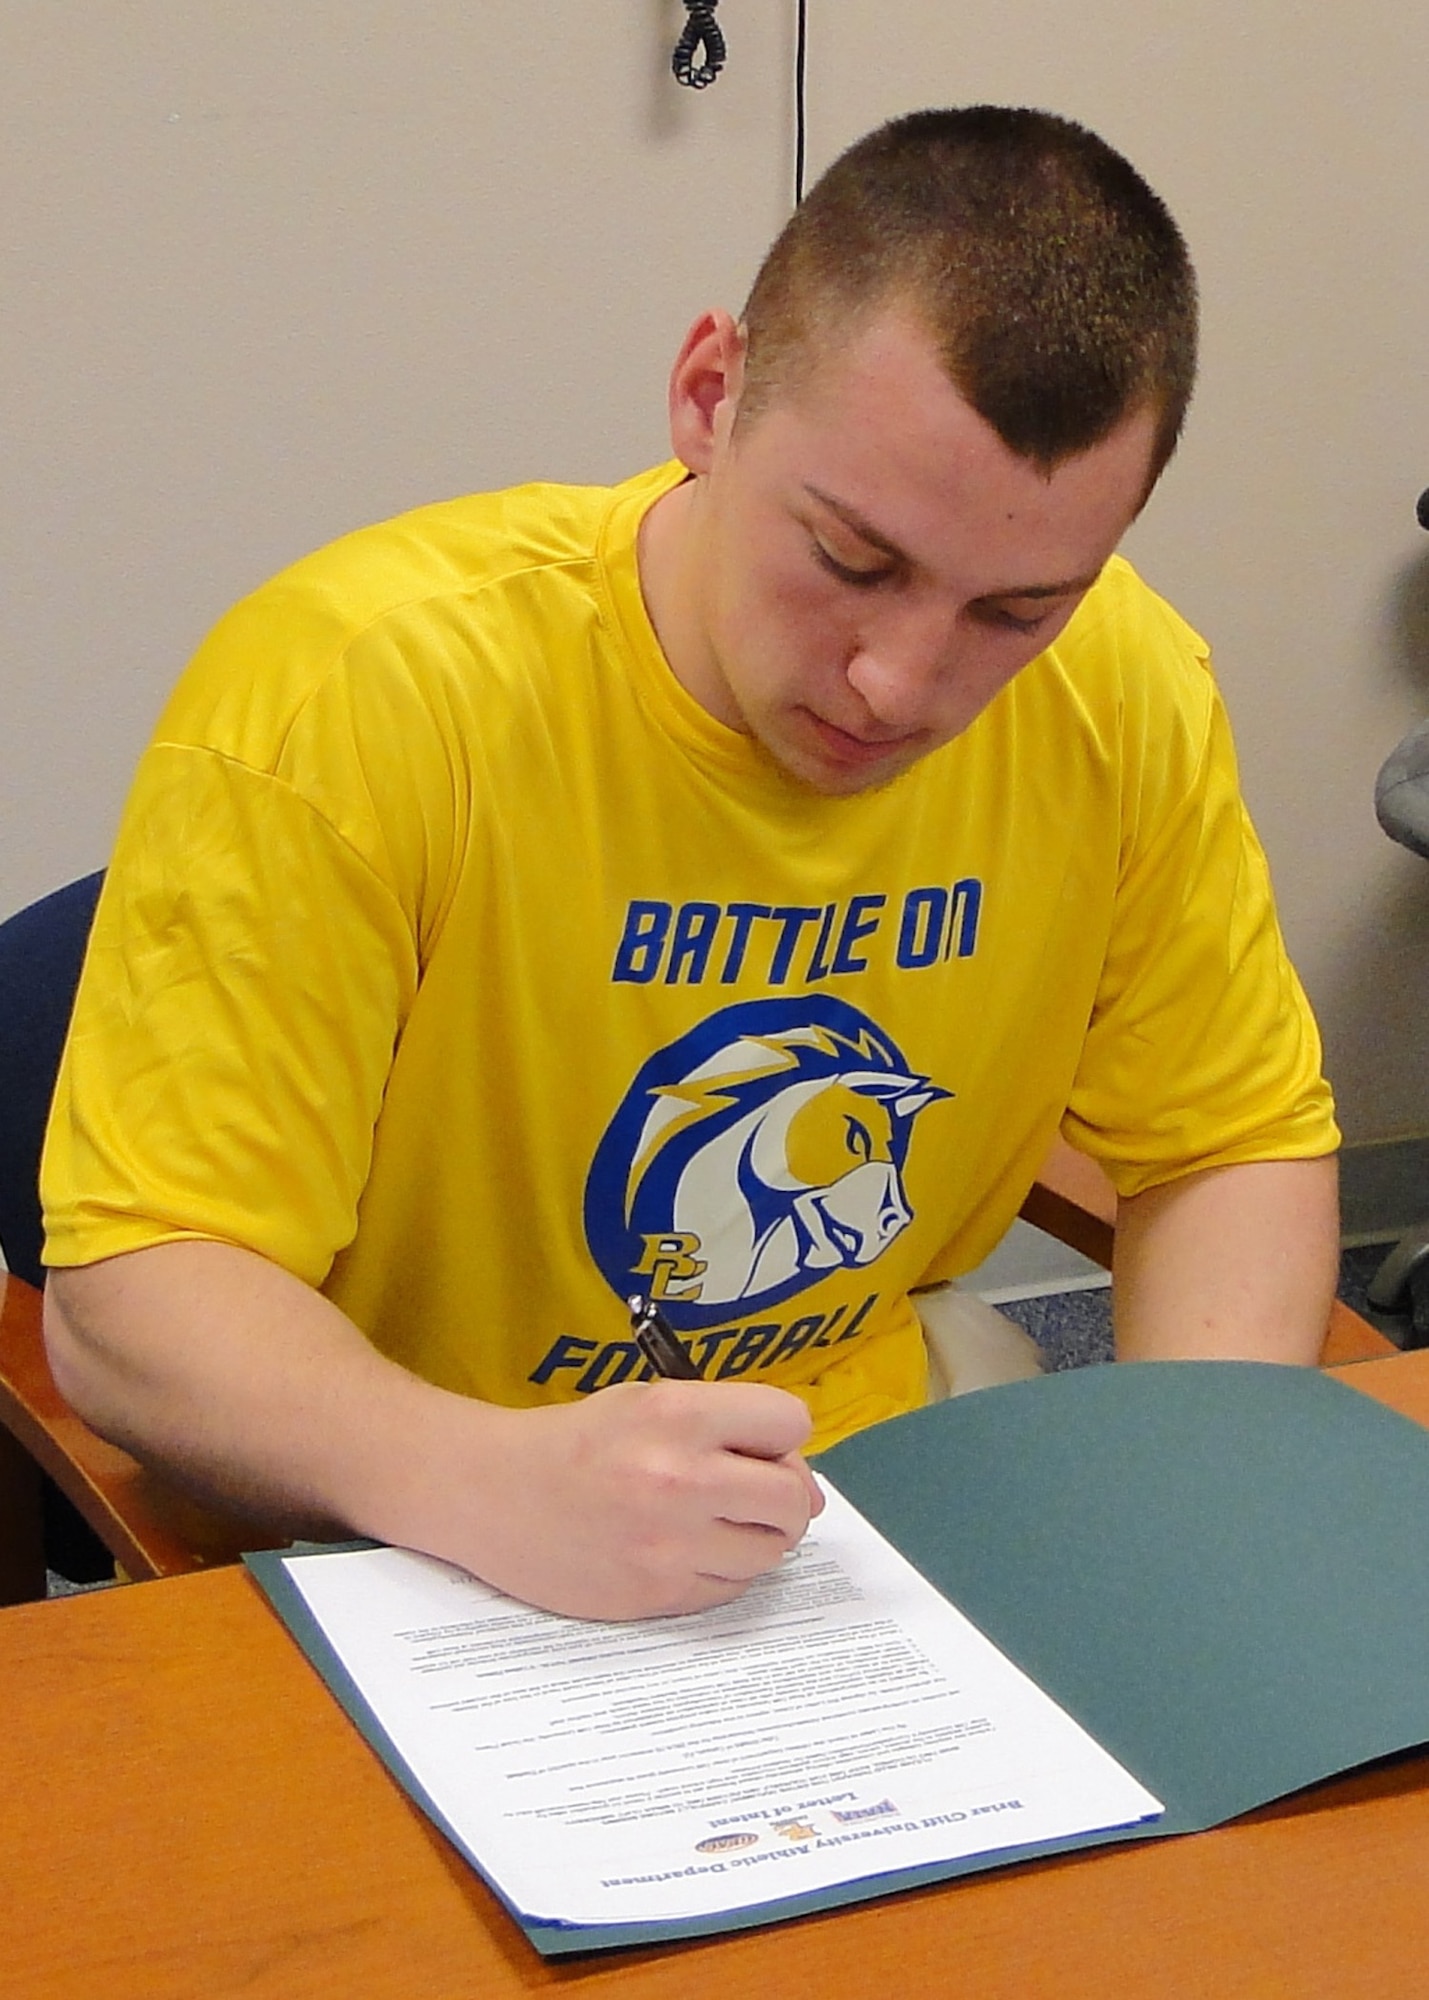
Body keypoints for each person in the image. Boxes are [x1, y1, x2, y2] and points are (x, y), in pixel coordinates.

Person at [39, 106, 1340, 1621]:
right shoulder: (363, 691)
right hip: (410, 1505)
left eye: (1015, 609)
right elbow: (132, 1295)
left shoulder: (1119, 688)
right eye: (853, 562)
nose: (898, 685)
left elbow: (1227, 1141)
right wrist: (484, 1479)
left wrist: (1185, 1496)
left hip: (859, 1500)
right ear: (710, 394)